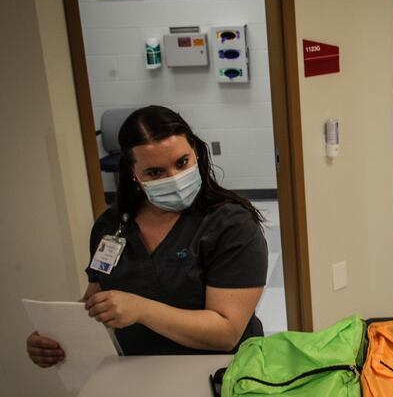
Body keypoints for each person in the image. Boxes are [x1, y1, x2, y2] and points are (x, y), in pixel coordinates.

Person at [26, 105, 268, 366]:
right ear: (133, 173)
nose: (174, 179)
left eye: (181, 162)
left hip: (220, 373)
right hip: (137, 371)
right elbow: (95, 298)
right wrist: (58, 336)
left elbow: (226, 333)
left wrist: (141, 310)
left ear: (195, 152)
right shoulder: (111, 226)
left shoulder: (232, 226)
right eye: (155, 172)